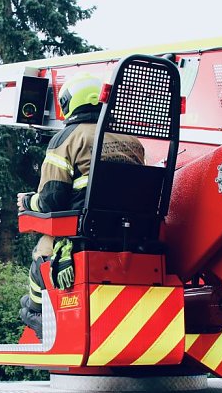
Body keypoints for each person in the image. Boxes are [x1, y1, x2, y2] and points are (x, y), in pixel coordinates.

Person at [16, 72, 145, 339]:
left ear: (71, 103)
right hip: (132, 239)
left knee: (41, 254)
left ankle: (37, 313)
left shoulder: (67, 138)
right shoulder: (133, 142)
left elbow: (52, 199)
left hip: (84, 236)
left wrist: (28, 201)